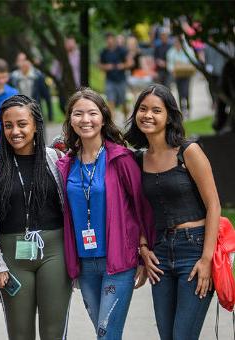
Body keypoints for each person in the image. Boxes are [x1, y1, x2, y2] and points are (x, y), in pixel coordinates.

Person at [57, 88, 155, 339]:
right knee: (103, 333)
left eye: (92, 113)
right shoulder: (67, 163)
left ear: (102, 117)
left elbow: (141, 206)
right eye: (78, 114)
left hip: (118, 261)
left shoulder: (120, 158)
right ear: (70, 120)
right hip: (84, 262)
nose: (85, 120)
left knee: (107, 332)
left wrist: (143, 250)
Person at [124, 84, 220, 340]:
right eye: (143, 109)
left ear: (169, 116)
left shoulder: (188, 152)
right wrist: (143, 248)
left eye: (157, 110)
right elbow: (137, 210)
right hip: (161, 253)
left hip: (195, 250)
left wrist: (207, 260)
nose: (148, 115)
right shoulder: (137, 159)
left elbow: (214, 205)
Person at [0, 95, 71, 340]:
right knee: (19, 333)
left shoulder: (55, 159)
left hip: (54, 252)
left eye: (22, 124)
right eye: (8, 125)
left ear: (36, 125)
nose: (15, 131)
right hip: (12, 255)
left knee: (53, 332)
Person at [10, 53, 54, 122]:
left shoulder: (38, 76)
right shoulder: (13, 77)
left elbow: (46, 96)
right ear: (17, 63)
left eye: (25, 60)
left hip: (35, 113)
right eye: (20, 60)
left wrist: (50, 114)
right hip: (19, 113)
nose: (23, 63)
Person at [99, 33, 130, 117]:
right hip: (110, 80)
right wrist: (106, 67)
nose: (110, 41)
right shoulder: (104, 52)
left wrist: (123, 65)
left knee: (123, 102)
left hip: (121, 80)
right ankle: (112, 124)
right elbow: (100, 65)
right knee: (110, 101)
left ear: (114, 40)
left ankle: (126, 116)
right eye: (108, 40)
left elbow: (130, 62)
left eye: (111, 39)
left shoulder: (122, 50)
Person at [166, 38, 196, 118]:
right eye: (176, 43)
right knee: (180, 92)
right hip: (178, 75)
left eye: (179, 43)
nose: (177, 45)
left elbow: (193, 61)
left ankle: (188, 107)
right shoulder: (171, 52)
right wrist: (173, 70)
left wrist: (182, 65)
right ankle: (182, 110)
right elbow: (170, 65)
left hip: (187, 74)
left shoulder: (188, 51)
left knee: (186, 92)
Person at [52, 37, 81, 114]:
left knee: (75, 103)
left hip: (76, 83)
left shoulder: (79, 55)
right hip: (63, 84)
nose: (70, 45)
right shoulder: (61, 56)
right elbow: (54, 70)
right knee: (62, 104)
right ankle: (69, 118)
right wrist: (55, 82)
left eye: (71, 42)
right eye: (68, 43)